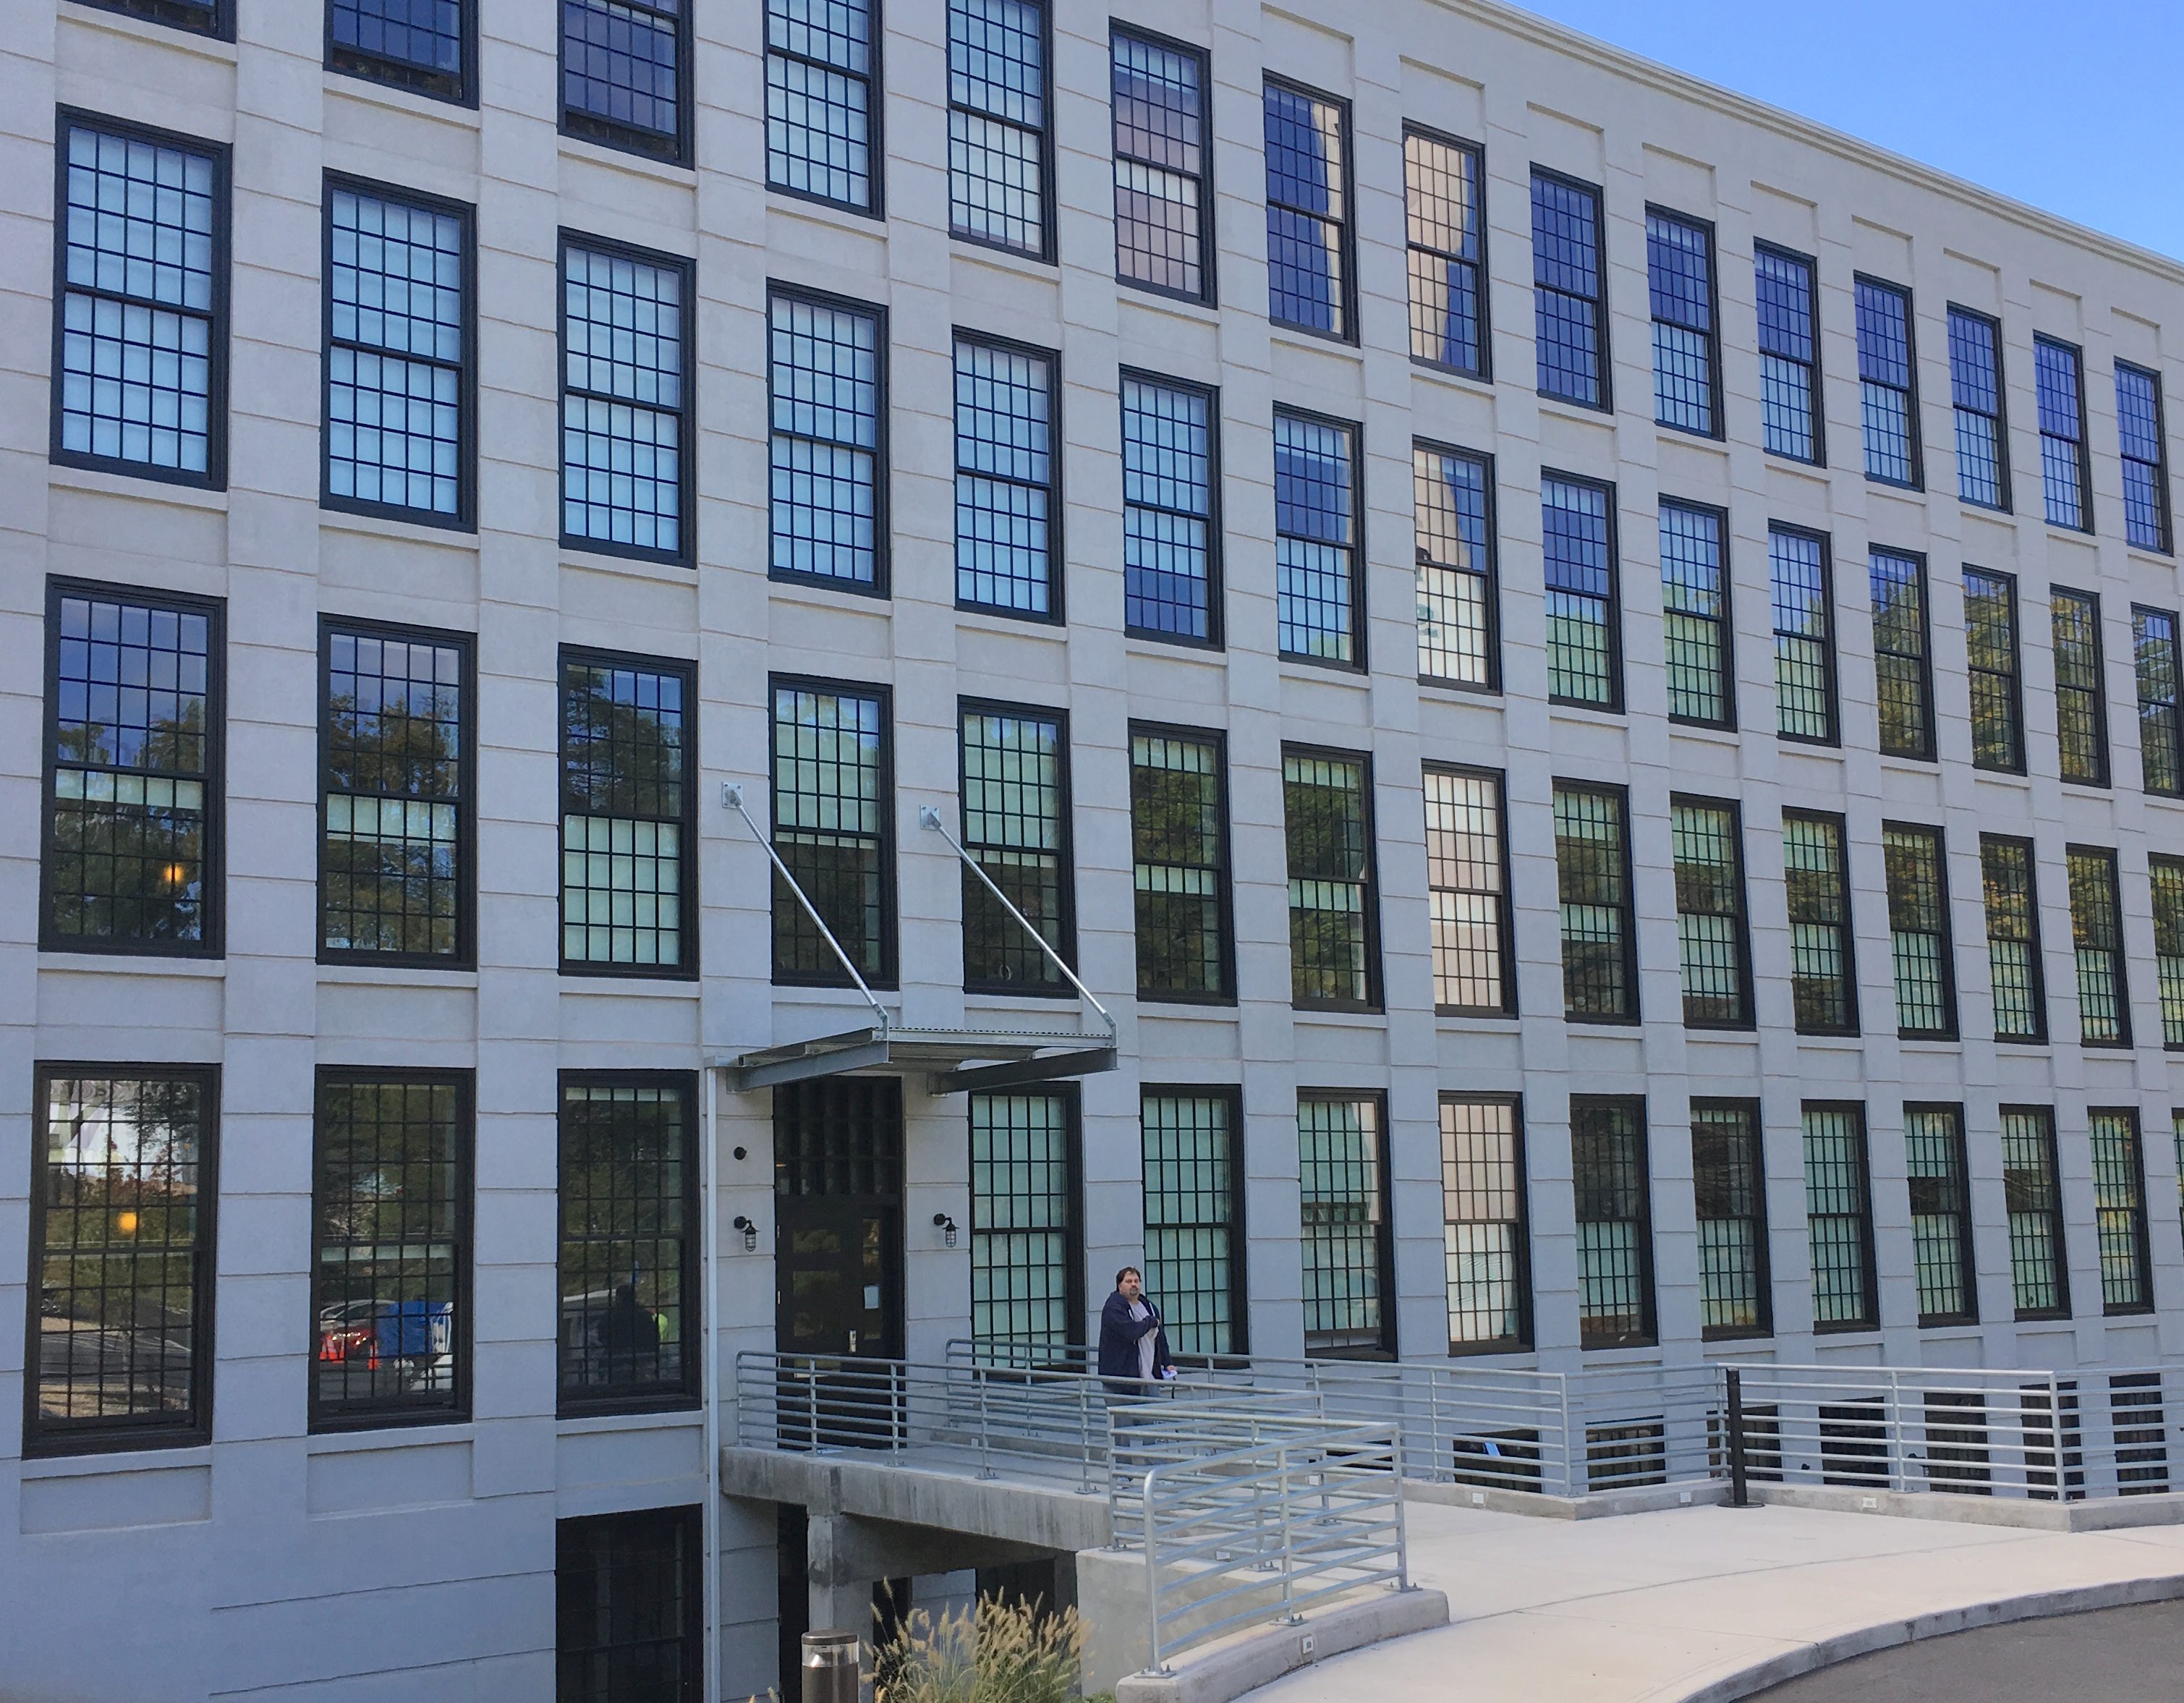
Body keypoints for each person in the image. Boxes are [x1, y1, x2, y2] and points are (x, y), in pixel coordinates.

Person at [1097, 1266, 1173, 1393]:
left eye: (1136, 1281)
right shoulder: (1113, 1308)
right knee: (1125, 1408)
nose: (1133, 1284)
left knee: (1157, 1407)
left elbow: (1160, 1338)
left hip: (1150, 1378)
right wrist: (1150, 1322)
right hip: (1121, 1382)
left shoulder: (1150, 1307)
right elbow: (1131, 1332)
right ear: (1119, 1286)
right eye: (1128, 1281)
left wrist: (1167, 1363)